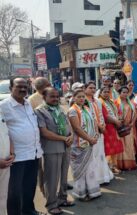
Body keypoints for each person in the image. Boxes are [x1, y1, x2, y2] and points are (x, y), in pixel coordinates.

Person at [0, 77, 44, 215]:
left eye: (25, 86)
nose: (23, 89)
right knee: (14, 190)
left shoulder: (27, 103)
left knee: (30, 186)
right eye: (19, 86)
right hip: (17, 156)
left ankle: (29, 210)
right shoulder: (4, 106)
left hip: (34, 153)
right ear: (10, 88)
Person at [35, 87, 74, 215]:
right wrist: (64, 138)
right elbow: (44, 132)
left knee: (64, 175)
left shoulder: (60, 109)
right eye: (52, 96)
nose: (55, 99)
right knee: (51, 178)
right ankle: (51, 204)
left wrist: (71, 136)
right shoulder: (40, 111)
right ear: (44, 97)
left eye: (57, 96)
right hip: (51, 148)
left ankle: (62, 199)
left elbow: (68, 125)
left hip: (65, 146)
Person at [68, 89, 101, 201]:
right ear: (74, 98)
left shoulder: (86, 109)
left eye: (83, 97)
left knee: (90, 168)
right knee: (80, 170)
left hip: (89, 143)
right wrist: (90, 139)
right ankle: (81, 193)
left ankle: (92, 191)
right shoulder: (72, 111)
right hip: (78, 146)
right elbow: (77, 129)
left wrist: (96, 135)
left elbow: (94, 122)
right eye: (79, 97)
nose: (82, 99)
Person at [85, 82, 114, 184]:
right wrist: (98, 126)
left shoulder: (97, 101)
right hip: (89, 132)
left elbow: (101, 114)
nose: (92, 90)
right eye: (90, 88)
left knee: (100, 154)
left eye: (94, 88)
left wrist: (102, 127)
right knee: (92, 155)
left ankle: (103, 176)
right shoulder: (83, 101)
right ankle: (94, 178)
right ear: (85, 89)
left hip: (100, 131)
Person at [98, 86, 123, 174]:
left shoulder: (111, 101)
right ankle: (108, 167)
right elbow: (105, 116)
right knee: (108, 149)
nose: (106, 94)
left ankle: (113, 166)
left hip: (114, 128)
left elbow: (117, 112)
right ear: (100, 93)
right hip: (106, 128)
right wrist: (116, 121)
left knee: (114, 148)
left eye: (108, 92)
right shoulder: (99, 102)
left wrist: (119, 119)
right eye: (104, 92)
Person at [114, 86, 137, 170]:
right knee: (121, 145)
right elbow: (113, 115)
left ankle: (129, 165)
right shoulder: (115, 103)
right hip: (119, 127)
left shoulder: (131, 103)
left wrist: (132, 123)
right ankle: (120, 165)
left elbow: (135, 114)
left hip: (128, 127)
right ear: (119, 93)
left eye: (126, 92)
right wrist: (118, 122)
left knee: (129, 145)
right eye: (123, 92)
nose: (125, 94)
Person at [0, 109, 13, 215]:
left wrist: (12, 153)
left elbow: (7, 134)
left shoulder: (1, 111)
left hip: (6, 163)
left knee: (3, 196)